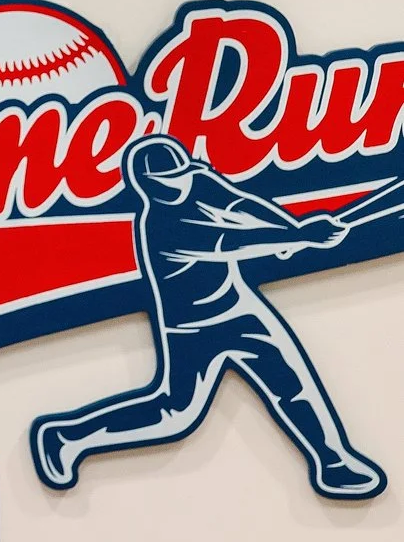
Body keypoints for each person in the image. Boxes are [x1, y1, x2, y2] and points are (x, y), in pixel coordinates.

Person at [30, 135, 385, 500]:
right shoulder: (162, 226)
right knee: (175, 412)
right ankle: (68, 436)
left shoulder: (196, 179)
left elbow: (241, 203)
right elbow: (227, 241)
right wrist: (297, 237)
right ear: (147, 187)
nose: (179, 183)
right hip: (191, 328)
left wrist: (289, 230)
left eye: (181, 173)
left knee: (290, 381)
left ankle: (333, 462)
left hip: (239, 307)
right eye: (167, 180)